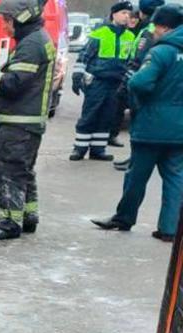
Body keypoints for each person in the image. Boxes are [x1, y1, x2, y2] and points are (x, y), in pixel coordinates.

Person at [92, 5, 183, 242]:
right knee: (175, 178)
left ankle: (124, 218)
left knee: (136, 176)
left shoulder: (161, 52)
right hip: (180, 129)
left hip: (152, 126)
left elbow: (140, 83)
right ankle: (169, 229)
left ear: (164, 27)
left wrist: (138, 99)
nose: (152, 31)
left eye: (155, 26)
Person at [0, 0, 57, 241]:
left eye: (5, 21)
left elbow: (13, 84)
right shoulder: (37, 39)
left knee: (7, 173)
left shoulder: (31, 45)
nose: (4, 27)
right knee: (23, 172)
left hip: (20, 123)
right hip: (28, 121)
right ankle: (28, 217)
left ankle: (10, 223)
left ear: (18, 19)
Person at [72, 2, 137, 161]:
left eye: (129, 14)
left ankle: (98, 150)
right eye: (123, 13)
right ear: (113, 14)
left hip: (116, 84)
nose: (127, 16)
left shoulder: (130, 37)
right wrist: (77, 77)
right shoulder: (99, 33)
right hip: (98, 82)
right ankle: (79, 149)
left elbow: (131, 61)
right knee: (90, 115)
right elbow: (84, 56)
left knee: (106, 117)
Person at [115, 0, 167, 170]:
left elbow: (139, 59)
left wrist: (125, 86)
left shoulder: (149, 31)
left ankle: (136, 160)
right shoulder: (152, 29)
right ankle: (134, 157)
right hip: (146, 81)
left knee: (137, 123)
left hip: (139, 82)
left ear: (144, 12)